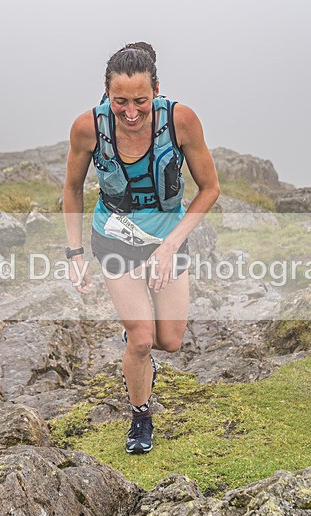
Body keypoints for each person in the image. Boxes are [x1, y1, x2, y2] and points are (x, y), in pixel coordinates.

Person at [63, 42, 219, 454]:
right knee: (141, 338)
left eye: (141, 102)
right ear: (106, 93)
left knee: (169, 340)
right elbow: (72, 188)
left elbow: (210, 189)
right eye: (120, 102)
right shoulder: (87, 128)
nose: (130, 113)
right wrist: (75, 254)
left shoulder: (182, 121)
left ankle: (141, 348)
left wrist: (170, 245)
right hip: (115, 236)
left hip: (168, 238)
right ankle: (140, 415)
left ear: (157, 90)